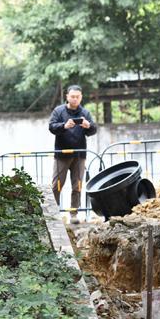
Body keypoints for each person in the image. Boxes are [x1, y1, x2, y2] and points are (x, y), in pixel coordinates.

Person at [48, 85, 97, 221]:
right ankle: (53, 213)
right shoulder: (58, 111)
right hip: (62, 155)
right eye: (72, 96)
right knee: (56, 185)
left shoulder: (85, 113)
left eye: (78, 97)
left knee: (77, 186)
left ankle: (74, 214)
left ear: (81, 97)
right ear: (67, 97)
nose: (75, 99)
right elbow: (51, 127)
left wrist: (89, 126)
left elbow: (93, 130)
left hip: (79, 155)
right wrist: (64, 126)